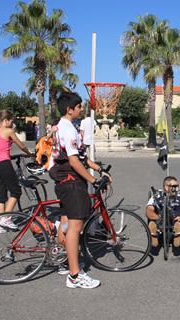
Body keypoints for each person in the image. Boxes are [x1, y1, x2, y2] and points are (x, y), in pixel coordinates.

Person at [49, 91, 110, 289]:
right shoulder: (68, 129)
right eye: (79, 107)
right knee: (75, 227)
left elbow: (81, 157)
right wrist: (93, 179)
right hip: (71, 182)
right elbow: (75, 162)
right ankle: (75, 276)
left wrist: (98, 169)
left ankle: (66, 262)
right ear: (70, 109)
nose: (81, 109)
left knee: (66, 222)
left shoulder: (63, 127)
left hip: (64, 181)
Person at [0, 110, 32, 233]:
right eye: (11, 121)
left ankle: (1, 224)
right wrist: (29, 153)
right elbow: (21, 145)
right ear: (5, 120)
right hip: (4, 164)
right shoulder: (9, 131)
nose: (12, 124)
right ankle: (6, 218)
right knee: (16, 191)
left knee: (1, 195)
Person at [146, 176, 180, 248]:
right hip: (160, 223)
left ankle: (177, 234)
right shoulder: (156, 196)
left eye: (177, 186)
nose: (177, 188)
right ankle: (154, 234)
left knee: (178, 224)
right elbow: (148, 211)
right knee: (153, 224)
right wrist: (158, 218)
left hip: (176, 220)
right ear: (166, 187)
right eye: (174, 186)